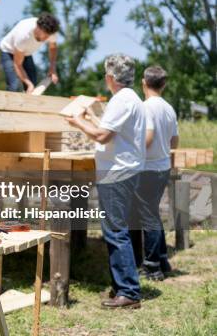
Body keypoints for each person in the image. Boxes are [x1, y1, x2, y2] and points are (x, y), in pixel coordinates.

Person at [66, 54, 145, 309]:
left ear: (110, 77)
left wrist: (77, 121)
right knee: (123, 229)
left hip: (117, 173)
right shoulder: (129, 98)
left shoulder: (121, 100)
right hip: (127, 171)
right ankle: (126, 285)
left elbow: (101, 137)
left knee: (115, 230)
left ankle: (128, 292)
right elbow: (110, 132)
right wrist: (89, 117)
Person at [137, 65, 178, 280]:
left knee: (148, 217)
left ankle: (152, 267)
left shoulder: (145, 107)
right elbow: (175, 141)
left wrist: (132, 153)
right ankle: (162, 259)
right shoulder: (169, 108)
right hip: (162, 167)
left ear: (144, 82)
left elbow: (148, 137)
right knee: (152, 213)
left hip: (148, 169)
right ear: (164, 84)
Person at [0, 13, 60, 93]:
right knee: (15, 86)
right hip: (8, 51)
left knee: (33, 88)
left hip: (25, 53)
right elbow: (17, 64)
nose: (46, 39)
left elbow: (52, 48)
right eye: (44, 35)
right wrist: (28, 84)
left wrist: (52, 68)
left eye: (48, 36)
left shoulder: (51, 32)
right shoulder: (24, 35)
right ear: (38, 28)